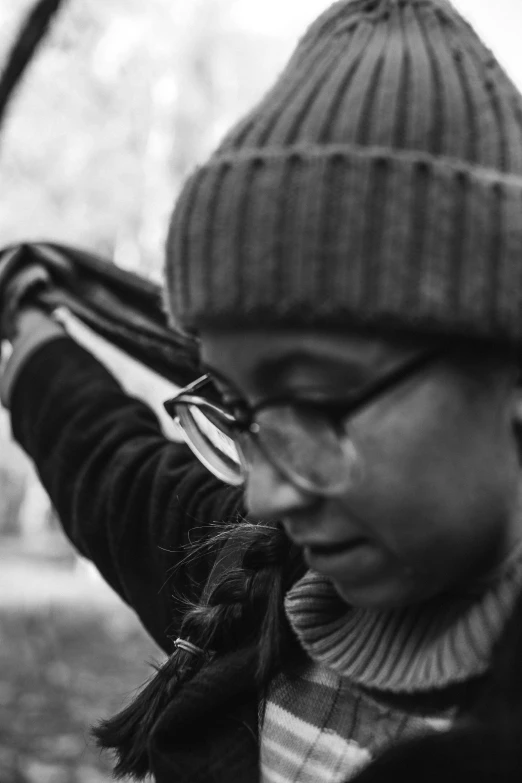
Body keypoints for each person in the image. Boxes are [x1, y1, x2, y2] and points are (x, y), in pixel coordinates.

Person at [2, 0, 522, 780]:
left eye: (314, 403)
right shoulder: (252, 582)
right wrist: (34, 326)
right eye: (239, 410)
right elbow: (105, 457)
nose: (267, 492)